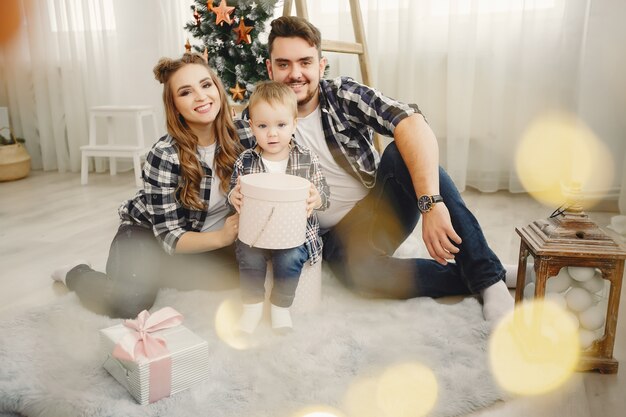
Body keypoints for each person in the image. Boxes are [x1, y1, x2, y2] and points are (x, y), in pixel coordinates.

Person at [234, 16, 514, 323]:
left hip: (377, 208)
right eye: (284, 64)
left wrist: (431, 204)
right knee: (365, 278)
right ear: (270, 68)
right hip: (326, 236)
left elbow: (411, 122)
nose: (295, 74)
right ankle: (483, 270)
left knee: (402, 150)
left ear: (321, 65)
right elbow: (226, 164)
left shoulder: (342, 95)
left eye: (305, 62)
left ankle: (489, 280)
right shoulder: (254, 120)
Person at [51, 53, 253, 318]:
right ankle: (75, 272)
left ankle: (156, 272)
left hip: (196, 239)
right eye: (186, 92)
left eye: (206, 85)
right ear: (175, 106)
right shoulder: (165, 154)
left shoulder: (245, 133)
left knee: (243, 277)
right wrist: (222, 237)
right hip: (146, 233)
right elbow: (169, 237)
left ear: (217, 87)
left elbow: (286, 157)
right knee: (128, 303)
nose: (201, 97)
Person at [228, 81, 330, 333]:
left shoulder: (306, 158)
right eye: (263, 126)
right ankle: (252, 307)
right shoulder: (246, 160)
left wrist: (316, 199)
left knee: (292, 257)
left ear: (294, 124)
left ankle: (280, 307)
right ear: (251, 127)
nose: (272, 134)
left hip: (295, 234)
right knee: (248, 255)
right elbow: (235, 189)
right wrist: (234, 196)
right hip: (257, 232)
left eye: (281, 125)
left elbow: (324, 195)